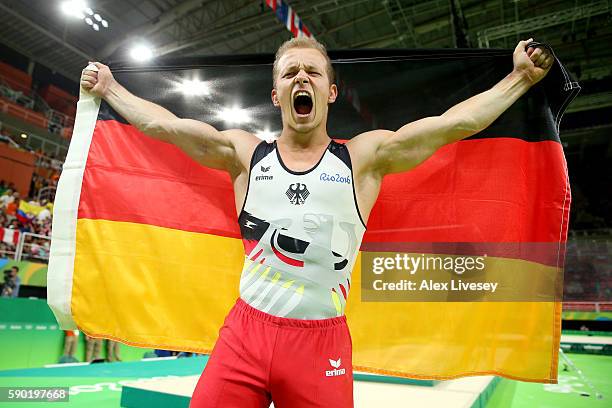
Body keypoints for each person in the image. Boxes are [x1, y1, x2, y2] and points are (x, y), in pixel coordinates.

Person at [81, 37, 553, 407]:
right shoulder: (245, 154)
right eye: (290, 73)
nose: (300, 77)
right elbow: (164, 127)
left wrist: (520, 79)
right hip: (245, 334)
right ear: (276, 93)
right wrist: (110, 89)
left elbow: (453, 125)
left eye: (311, 72)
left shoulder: (364, 159)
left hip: (319, 343)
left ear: (329, 91)